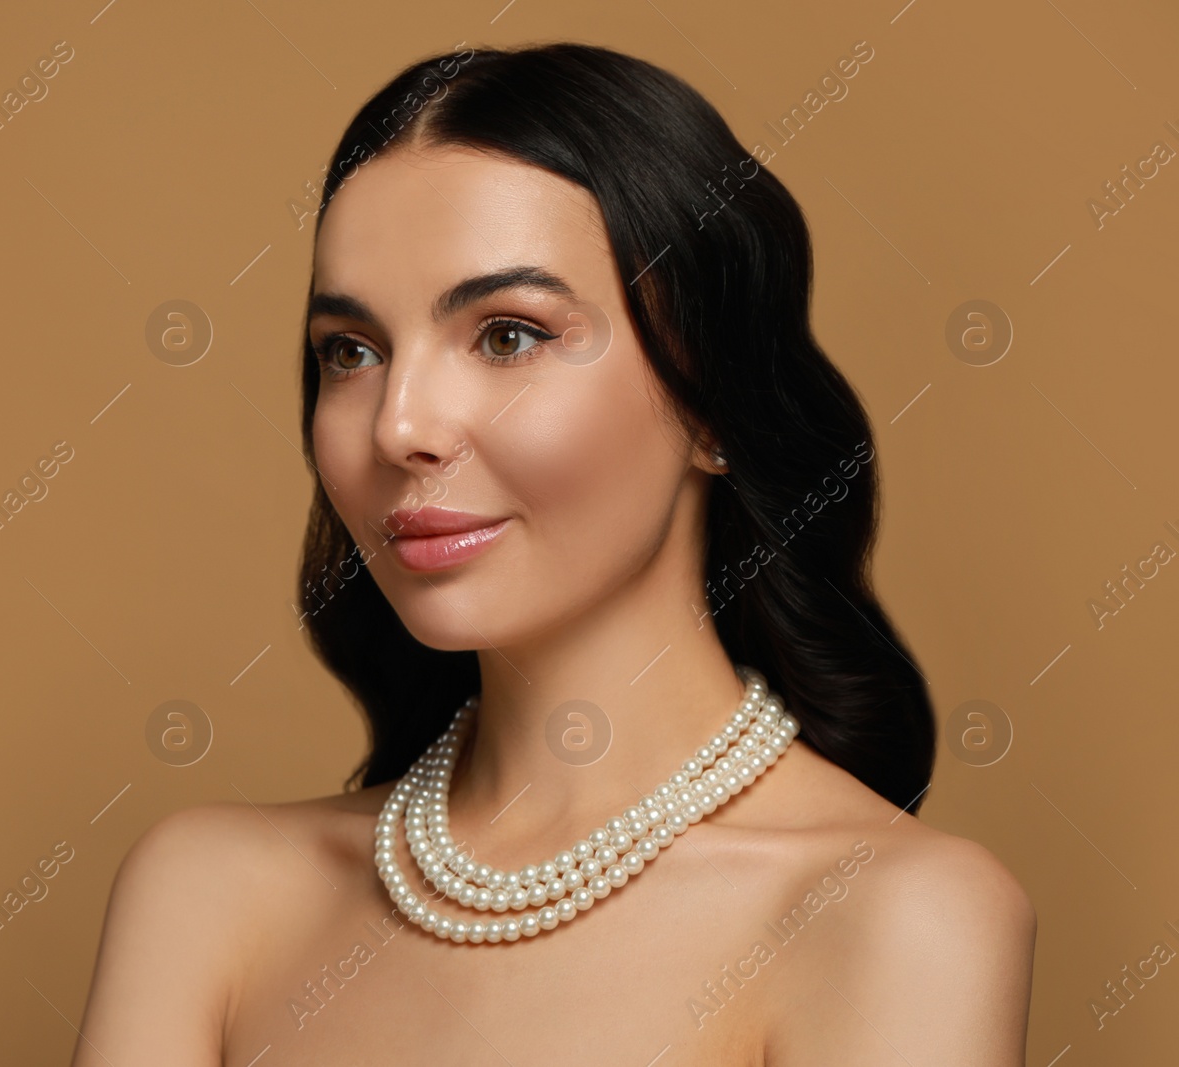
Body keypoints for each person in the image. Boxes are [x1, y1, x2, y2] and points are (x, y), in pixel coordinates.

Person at [72, 41, 1035, 1065]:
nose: (399, 425)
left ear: (712, 403)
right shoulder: (207, 893)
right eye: (350, 351)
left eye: (506, 335)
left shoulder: (892, 916)